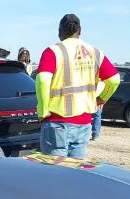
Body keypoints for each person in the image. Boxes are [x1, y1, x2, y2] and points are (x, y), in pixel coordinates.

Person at [35, 14, 120, 158]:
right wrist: (102, 98)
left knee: (56, 174)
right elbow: (114, 80)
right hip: (83, 122)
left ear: (59, 32)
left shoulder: (52, 51)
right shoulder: (95, 52)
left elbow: (43, 80)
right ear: (80, 31)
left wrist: (43, 111)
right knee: (75, 174)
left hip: (57, 121)